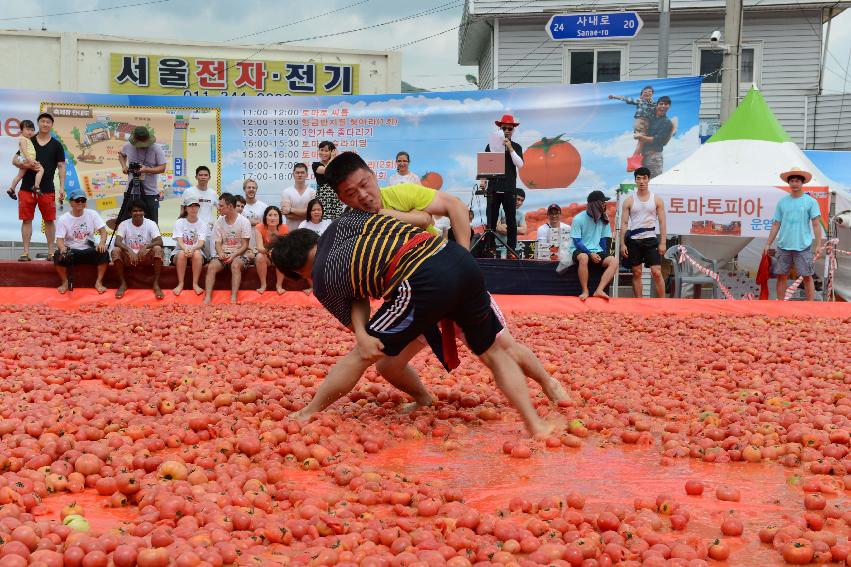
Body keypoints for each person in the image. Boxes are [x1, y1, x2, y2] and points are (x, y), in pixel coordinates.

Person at [271, 219, 568, 439]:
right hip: (455, 257)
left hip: (422, 282)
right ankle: (537, 418)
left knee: (364, 355)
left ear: (298, 273)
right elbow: (358, 294)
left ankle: (310, 411)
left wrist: (363, 336)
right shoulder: (340, 228)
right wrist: (367, 332)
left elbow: (362, 334)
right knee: (496, 351)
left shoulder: (322, 279)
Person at [12, 113, 65, 262]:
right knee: (26, 220)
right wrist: (25, 163)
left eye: (48, 122)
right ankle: (25, 252)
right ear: (38, 123)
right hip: (26, 188)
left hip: (47, 189)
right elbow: (15, 160)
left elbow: (61, 166)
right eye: (43, 121)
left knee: (49, 220)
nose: (45, 124)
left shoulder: (56, 145)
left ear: (51, 125)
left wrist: (61, 188)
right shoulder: (29, 141)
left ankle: (50, 252)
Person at [764, 167, 822, 301]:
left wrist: (818, 245)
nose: (794, 184)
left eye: (797, 181)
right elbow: (775, 224)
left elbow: (816, 224)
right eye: (792, 181)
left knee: (807, 276)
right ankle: (780, 305)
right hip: (784, 245)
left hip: (803, 246)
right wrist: (768, 244)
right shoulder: (782, 202)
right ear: (789, 183)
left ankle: (810, 306)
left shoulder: (811, 202)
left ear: (802, 183)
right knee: (781, 275)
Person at [620, 167, 667, 298]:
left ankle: (663, 302)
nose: (641, 181)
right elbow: (624, 223)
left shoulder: (656, 199)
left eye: (644, 178)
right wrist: (622, 244)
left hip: (650, 239)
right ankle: (639, 303)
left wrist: (663, 242)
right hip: (634, 240)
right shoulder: (629, 201)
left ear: (648, 179)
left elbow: (662, 221)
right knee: (636, 272)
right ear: (635, 180)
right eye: (638, 178)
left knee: (656, 272)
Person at [482, 114, 524, 251]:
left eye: (510, 128)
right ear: (499, 129)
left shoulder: (516, 146)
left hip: (509, 188)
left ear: (513, 130)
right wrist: (483, 182)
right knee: (491, 219)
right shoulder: (491, 146)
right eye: (504, 128)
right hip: (493, 187)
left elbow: (520, 164)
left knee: (511, 219)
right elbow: (485, 167)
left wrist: (510, 148)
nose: (506, 130)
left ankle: (512, 248)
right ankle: (490, 247)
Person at [54, 188, 108, 294]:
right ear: (71, 202)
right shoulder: (63, 218)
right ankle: (65, 282)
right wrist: (63, 249)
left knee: (104, 253)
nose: (80, 203)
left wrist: (102, 243)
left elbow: (103, 231)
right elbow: (59, 240)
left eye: (83, 200)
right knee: (57, 255)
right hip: (72, 252)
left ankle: (99, 282)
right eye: (77, 200)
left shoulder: (92, 214)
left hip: (89, 249)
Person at [569, 191, 618, 301]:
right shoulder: (578, 219)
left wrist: (603, 257)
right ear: (595, 204)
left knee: (614, 261)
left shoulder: (604, 219)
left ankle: (599, 290)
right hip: (579, 249)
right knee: (584, 257)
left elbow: (603, 240)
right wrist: (590, 253)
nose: (604, 205)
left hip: (596, 250)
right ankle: (585, 290)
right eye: (602, 202)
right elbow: (577, 241)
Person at [204, 193, 252, 305]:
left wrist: (234, 255)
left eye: (221, 206)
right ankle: (207, 297)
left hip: (239, 254)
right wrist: (220, 253)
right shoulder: (219, 221)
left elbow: (245, 245)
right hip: (223, 253)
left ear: (230, 206)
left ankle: (233, 297)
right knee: (211, 266)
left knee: (235, 265)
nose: (218, 208)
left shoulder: (244, 222)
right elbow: (218, 242)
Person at [111, 200, 164, 299]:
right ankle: (123, 284)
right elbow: (117, 242)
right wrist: (129, 250)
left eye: (140, 210)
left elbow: (160, 241)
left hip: (145, 257)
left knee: (157, 248)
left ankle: (156, 284)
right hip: (130, 258)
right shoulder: (124, 224)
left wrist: (146, 247)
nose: (138, 213)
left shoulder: (151, 223)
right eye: (135, 211)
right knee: (115, 251)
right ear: (130, 213)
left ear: (144, 212)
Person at [118, 126, 166, 224]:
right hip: (131, 191)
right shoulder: (127, 146)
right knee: (126, 222)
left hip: (150, 193)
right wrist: (124, 166)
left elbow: (162, 168)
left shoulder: (157, 148)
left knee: (152, 223)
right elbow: (121, 155)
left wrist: (146, 169)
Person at [171, 196, 208, 296]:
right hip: (180, 251)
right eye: (190, 206)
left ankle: (195, 284)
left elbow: (201, 243)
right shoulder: (180, 222)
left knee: (196, 253)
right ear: (186, 208)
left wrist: (193, 248)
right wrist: (186, 248)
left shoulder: (202, 224)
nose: (193, 208)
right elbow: (179, 241)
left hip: (196, 251)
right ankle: (180, 283)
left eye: (196, 206)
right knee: (182, 253)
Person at [609, 86, 655, 159]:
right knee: (641, 141)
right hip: (641, 121)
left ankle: (637, 159)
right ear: (641, 95)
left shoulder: (653, 104)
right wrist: (615, 96)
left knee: (644, 143)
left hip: (649, 124)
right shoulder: (639, 101)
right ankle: (633, 160)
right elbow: (627, 99)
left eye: (649, 92)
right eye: (645, 92)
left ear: (652, 94)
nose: (647, 93)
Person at [180, 166, 217, 256]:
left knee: (207, 258)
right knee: (192, 256)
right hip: (191, 231)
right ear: (196, 177)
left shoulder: (213, 193)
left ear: (209, 177)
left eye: (205, 175)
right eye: (200, 175)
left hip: (207, 231)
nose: (203, 177)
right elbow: (182, 212)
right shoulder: (188, 192)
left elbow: (222, 208)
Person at [255, 205, 289, 295]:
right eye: (270, 215)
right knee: (259, 256)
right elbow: (259, 247)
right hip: (266, 257)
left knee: (282, 256)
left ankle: (279, 285)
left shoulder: (284, 228)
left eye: (275, 215)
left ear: (279, 218)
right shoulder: (259, 227)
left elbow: (285, 247)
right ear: (265, 217)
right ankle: (263, 285)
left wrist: (275, 252)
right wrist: (270, 251)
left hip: (277, 256)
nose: (272, 218)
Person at [636, 97, 673, 178]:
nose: (663, 106)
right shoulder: (650, 118)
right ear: (657, 105)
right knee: (643, 183)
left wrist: (641, 137)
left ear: (669, 107)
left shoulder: (667, 123)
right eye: (661, 104)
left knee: (654, 184)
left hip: (654, 158)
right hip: (642, 157)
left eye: (666, 104)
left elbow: (657, 140)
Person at [7, 120, 44, 201]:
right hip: (26, 159)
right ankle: (36, 186)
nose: (30, 132)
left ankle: (11, 189)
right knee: (41, 169)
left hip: (24, 159)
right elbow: (24, 151)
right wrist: (30, 160)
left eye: (32, 130)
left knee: (19, 176)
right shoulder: (23, 139)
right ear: (21, 130)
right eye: (27, 129)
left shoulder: (27, 139)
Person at [312, 140, 345, 220]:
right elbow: (326, 170)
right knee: (322, 220)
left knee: (336, 221)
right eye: (321, 150)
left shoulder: (337, 166)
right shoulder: (316, 164)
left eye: (326, 151)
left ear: (332, 152)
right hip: (323, 196)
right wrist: (333, 158)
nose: (323, 153)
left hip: (335, 196)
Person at [281, 163, 315, 231]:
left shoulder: (313, 192)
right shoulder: (286, 192)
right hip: (291, 231)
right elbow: (287, 215)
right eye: (297, 172)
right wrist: (306, 214)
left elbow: (312, 214)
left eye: (302, 172)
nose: (300, 175)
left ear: (306, 175)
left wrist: (290, 210)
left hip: (308, 231)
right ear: (293, 174)